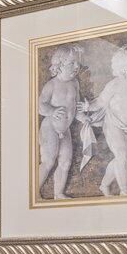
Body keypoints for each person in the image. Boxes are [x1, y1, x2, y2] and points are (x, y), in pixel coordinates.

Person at [87, 44, 127, 196]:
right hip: (114, 125)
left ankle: (104, 185)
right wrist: (88, 106)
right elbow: (100, 101)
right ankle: (124, 190)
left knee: (121, 158)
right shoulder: (114, 84)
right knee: (122, 155)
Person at [36, 46, 92, 199]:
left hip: (65, 130)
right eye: (72, 63)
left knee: (66, 162)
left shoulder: (75, 84)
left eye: (78, 63)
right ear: (59, 66)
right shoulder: (52, 85)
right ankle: (33, 191)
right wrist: (52, 111)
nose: (76, 66)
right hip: (50, 127)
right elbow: (39, 106)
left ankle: (58, 193)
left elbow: (75, 106)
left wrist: (83, 117)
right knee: (48, 161)